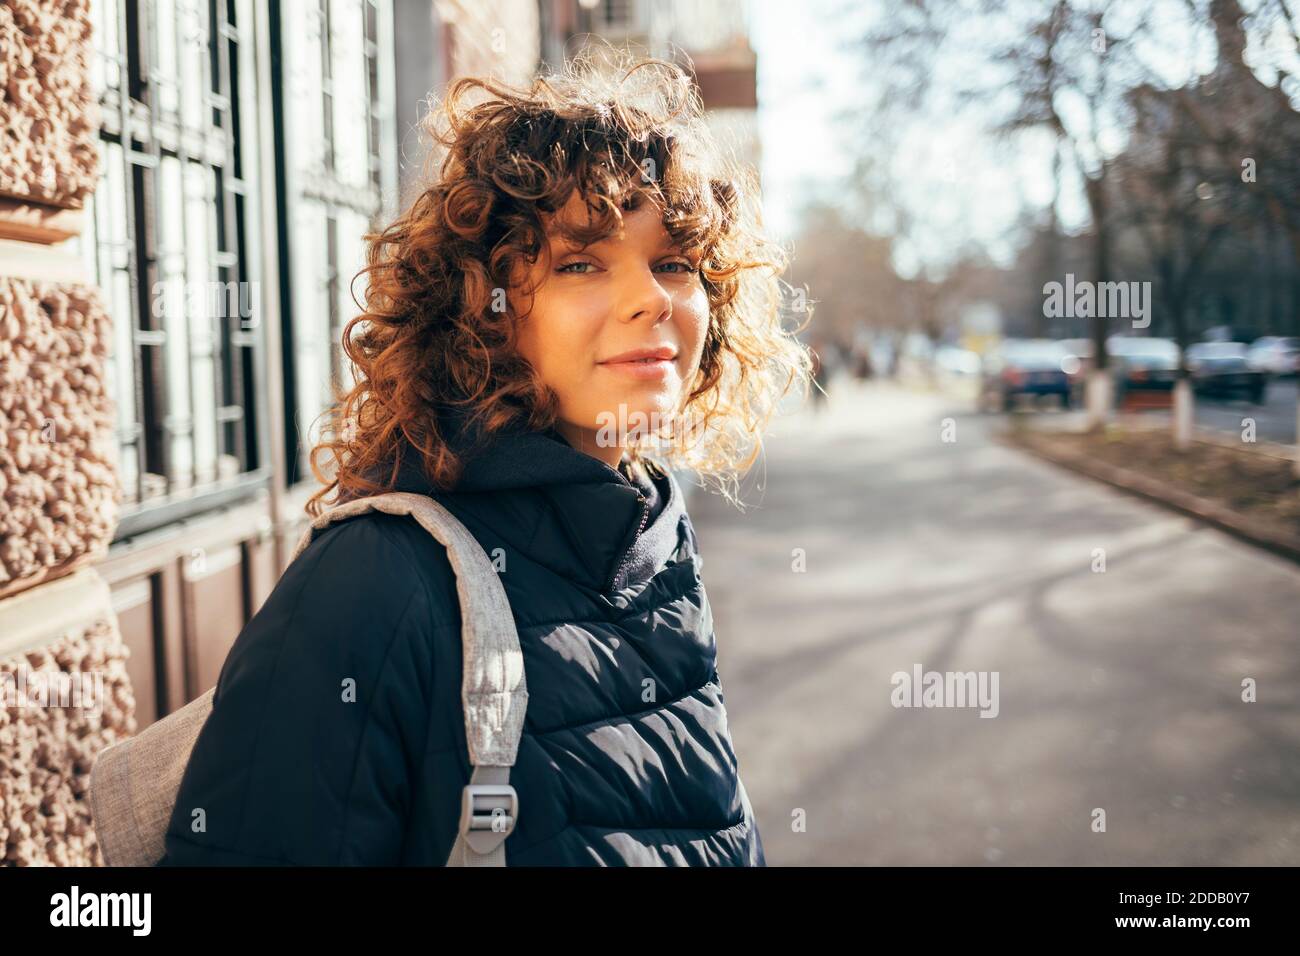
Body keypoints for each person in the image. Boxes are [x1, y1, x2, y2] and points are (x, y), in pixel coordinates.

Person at [155, 53, 811, 866]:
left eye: (673, 260)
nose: (653, 298)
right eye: (581, 262)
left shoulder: (650, 536)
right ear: (484, 310)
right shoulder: (374, 581)